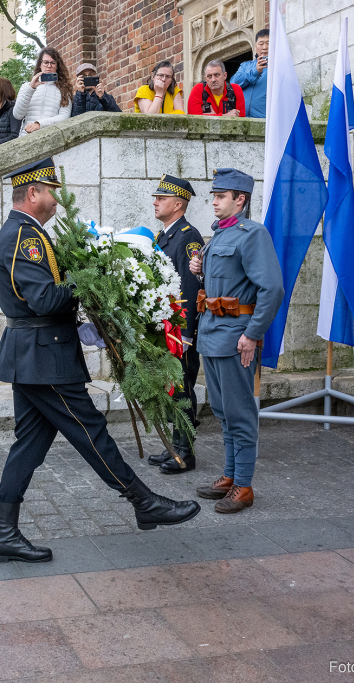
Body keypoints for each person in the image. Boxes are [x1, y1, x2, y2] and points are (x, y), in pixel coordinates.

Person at [0, 158, 201, 564]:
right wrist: (93, 279)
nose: (56, 200)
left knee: (29, 446)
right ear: (33, 193)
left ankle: (4, 534)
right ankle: (144, 500)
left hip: (37, 353)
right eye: (51, 191)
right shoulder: (23, 237)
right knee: (91, 431)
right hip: (43, 357)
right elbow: (45, 298)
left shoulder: (30, 233)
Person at [188, 169, 283, 513]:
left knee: (240, 413)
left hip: (235, 337)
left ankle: (243, 485)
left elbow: (271, 289)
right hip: (212, 334)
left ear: (240, 199)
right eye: (214, 195)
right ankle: (230, 476)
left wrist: (252, 334)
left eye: (221, 195)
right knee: (223, 412)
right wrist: (200, 269)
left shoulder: (251, 234)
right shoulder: (219, 235)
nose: (214, 201)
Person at [147, 175, 204, 474]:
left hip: (179, 331)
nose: (155, 201)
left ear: (178, 204)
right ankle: (175, 446)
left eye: (162, 198)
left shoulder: (188, 237)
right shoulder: (165, 236)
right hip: (165, 328)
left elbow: (191, 289)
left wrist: (186, 333)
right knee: (171, 389)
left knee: (182, 389)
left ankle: (186, 452)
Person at [14, 47, 73, 136]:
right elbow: (17, 115)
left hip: (51, 136)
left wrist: (39, 124)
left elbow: (64, 117)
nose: (49, 66)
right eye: (46, 62)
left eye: (53, 62)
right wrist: (31, 89)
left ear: (57, 66)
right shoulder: (27, 87)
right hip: (27, 136)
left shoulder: (64, 90)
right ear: (40, 64)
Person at [230, 29, 269, 118]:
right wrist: (255, 72)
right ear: (255, 47)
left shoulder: (277, 68)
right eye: (261, 43)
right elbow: (233, 84)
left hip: (265, 122)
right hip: (243, 120)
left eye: (268, 43)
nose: (265, 47)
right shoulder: (245, 66)